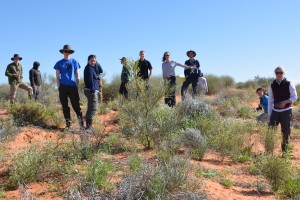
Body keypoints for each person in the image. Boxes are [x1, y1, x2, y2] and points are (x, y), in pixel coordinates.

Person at [54, 44, 84, 130]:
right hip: (63, 87)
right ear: (63, 52)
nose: (67, 53)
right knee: (65, 106)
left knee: (76, 106)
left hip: (72, 86)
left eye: (68, 51)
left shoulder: (75, 62)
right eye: (65, 51)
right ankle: (68, 124)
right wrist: (59, 87)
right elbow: (57, 76)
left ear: (70, 52)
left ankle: (81, 125)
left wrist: (76, 86)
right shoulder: (59, 63)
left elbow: (77, 75)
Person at [268, 66, 298, 152]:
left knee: (285, 131)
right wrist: (270, 113)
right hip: (275, 111)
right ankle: (269, 152)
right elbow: (270, 100)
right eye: (277, 72)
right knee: (271, 131)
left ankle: (285, 153)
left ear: (284, 73)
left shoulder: (289, 83)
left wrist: (285, 102)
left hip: (286, 110)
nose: (279, 74)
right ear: (275, 74)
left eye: (281, 72)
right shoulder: (272, 85)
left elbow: (295, 96)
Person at [84, 55, 99, 131]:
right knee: (93, 108)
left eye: (94, 61)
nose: (93, 62)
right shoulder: (89, 68)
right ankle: (88, 127)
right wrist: (93, 90)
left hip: (90, 90)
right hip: (91, 91)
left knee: (91, 108)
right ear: (88, 60)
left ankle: (89, 127)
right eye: (91, 60)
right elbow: (90, 80)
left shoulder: (91, 68)